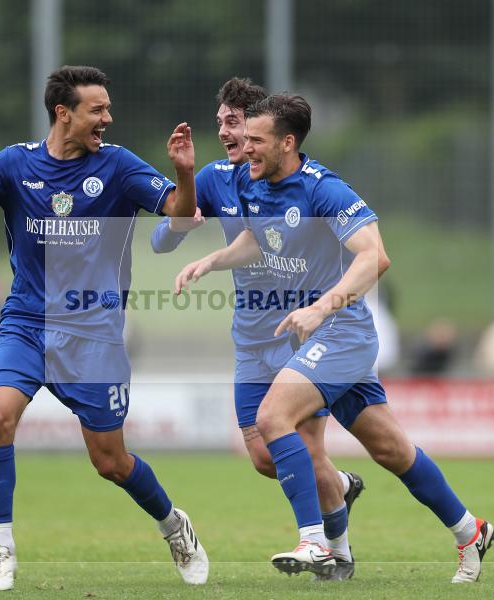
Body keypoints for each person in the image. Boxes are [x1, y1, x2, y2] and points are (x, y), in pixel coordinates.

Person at [175, 94, 494, 583]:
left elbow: (375, 257)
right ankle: (470, 531)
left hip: (341, 332)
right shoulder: (255, 182)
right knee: (391, 451)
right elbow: (259, 238)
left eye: (257, 140)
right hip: (304, 338)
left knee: (272, 417)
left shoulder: (326, 190)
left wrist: (322, 306)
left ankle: (316, 543)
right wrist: (210, 261)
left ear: (287, 142)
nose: (246, 146)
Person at [0, 65, 208, 590]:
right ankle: (1, 552)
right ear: (64, 113)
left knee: (111, 462)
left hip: (94, 333)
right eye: (97, 109)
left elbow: (180, 211)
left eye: (107, 108)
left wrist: (186, 172)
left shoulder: (119, 166)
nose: (108, 117)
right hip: (27, 321)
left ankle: (174, 524)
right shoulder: (14, 164)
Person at [152, 77, 364, 580]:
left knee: (306, 448)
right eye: (221, 122)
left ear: (258, 133)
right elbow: (162, 240)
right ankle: (339, 486)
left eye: (236, 124)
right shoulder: (210, 177)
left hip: (300, 332)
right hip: (250, 334)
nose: (226, 132)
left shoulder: (275, 176)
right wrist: (185, 214)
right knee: (264, 457)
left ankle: (331, 551)